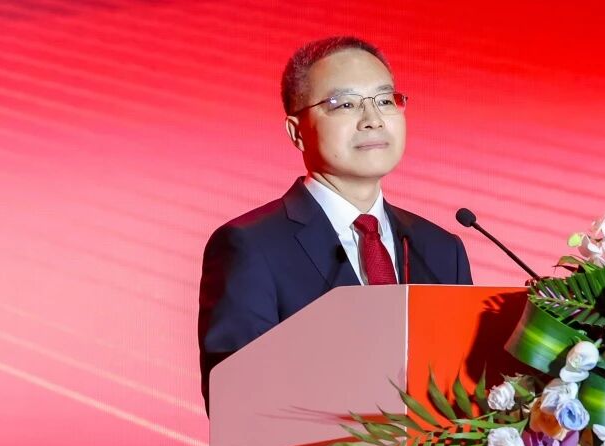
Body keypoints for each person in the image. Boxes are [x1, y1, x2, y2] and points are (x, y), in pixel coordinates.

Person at [197, 35, 473, 409]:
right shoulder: (251, 246)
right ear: (297, 132)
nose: (373, 120)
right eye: (345, 104)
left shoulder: (441, 249)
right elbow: (236, 400)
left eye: (384, 100)